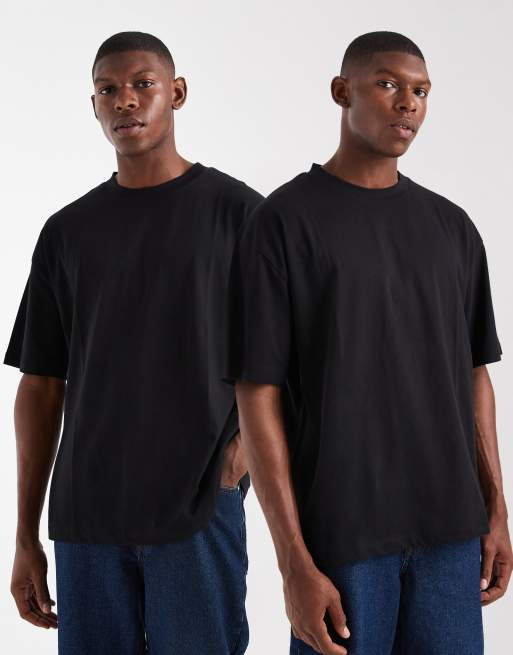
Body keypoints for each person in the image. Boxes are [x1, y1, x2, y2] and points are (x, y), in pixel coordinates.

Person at [225, 31, 512, 655]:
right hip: (342, 537)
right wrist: (293, 561)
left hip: (450, 534)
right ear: (341, 91)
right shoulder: (282, 223)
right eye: (388, 84)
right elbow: (256, 392)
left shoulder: (453, 228)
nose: (407, 103)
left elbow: (474, 375)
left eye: (421, 91)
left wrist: (497, 510)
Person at [4, 31, 262, 654]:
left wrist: (241, 458)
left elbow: (295, 361)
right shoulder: (68, 231)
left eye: (143, 84)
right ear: (92, 105)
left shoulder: (241, 215)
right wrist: (25, 534)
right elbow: (40, 385)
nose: (125, 100)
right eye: (108, 90)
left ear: (177, 93)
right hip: (87, 521)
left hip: (196, 510)